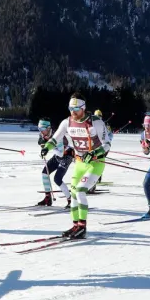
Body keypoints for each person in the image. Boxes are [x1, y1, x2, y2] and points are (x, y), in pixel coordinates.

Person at [42, 95, 111, 239]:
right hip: (79, 162)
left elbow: (107, 144)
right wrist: (47, 148)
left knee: (80, 191)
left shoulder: (96, 122)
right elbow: (56, 138)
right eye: (70, 108)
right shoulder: (67, 122)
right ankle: (75, 226)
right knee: (73, 195)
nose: (73, 112)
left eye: (76, 109)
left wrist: (93, 153)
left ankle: (82, 227)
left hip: (95, 163)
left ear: (83, 108)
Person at [37, 117, 73, 208]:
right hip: (57, 155)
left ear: (48, 128)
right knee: (45, 173)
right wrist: (43, 146)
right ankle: (48, 198)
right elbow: (40, 141)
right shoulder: (43, 134)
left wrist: (47, 148)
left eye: (42, 129)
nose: (41, 132)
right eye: (39, 129)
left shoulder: (57, 135)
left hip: (66, 156)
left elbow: (60, 153)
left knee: (57, 179)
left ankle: (70, 200)